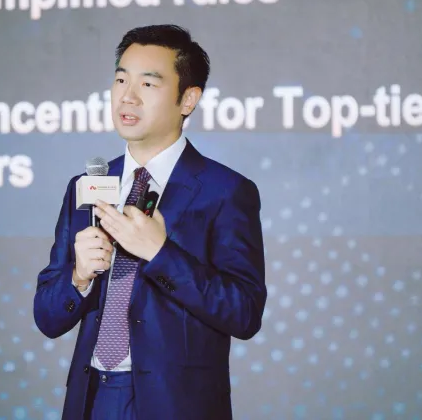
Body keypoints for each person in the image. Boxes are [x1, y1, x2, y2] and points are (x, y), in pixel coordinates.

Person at [33, 24, 266, 420]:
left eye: (148, 84)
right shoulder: (87, 186)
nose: (128, 96)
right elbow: (48, 317)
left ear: (188, 99)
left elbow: (244, 313)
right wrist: (79, 277)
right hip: (93, 400)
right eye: (121, 79)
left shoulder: (224, 191)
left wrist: (160, 253)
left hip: (176, 405)